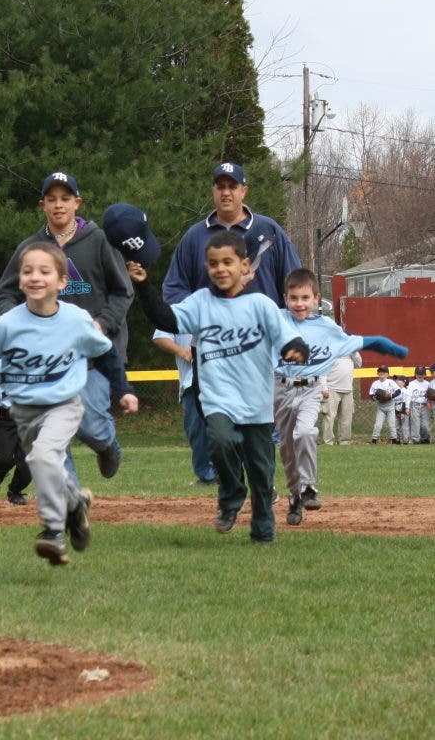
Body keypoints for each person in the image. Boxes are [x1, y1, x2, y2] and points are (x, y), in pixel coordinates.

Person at [0, 242, 138, 566]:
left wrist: (123, 389)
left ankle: (54, 532)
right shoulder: (7, 324)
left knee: (43, 457)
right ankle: (75, 503)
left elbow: (106, 354)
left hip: (64, 405)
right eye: (28, 271)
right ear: (19, 280)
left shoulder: (76, 320)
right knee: (48, 464)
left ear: (62, 281)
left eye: (45, 271)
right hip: (24, 412)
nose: (35, 277)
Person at [129, 232, 310, 545]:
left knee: (261, 471)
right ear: (207, 267)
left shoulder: (260, 305)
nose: (221, 269)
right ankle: (231, 495)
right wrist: (144, 286)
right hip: (218, 398)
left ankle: (263, 529)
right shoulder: (200, 303)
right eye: (213, 264)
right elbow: (165, 318)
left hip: (256, 402)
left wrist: (296, 349)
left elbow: (287, 338)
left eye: (228, 262)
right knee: (220, 441)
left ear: (244, 265)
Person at [0, 172, 134, 480]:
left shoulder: (99, 241)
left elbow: (123, 291)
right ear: (42, 204)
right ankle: (68, 500)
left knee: (90, 425)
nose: (58, 205)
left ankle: (106, 444)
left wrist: (102, 323)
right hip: (47, 358)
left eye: (65, 199)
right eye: (52, 199)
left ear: (77, 203)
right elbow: (3, 294)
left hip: (94, 354)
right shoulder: (31, 248)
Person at [272, 269, 408, 526]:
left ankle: (308, 487)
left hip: (310, 389)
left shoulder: (326, 327)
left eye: (305, 297)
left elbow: (353, 342)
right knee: (288, 449)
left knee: (305, 433)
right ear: (285, 298)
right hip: (280, 389)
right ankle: (295, 496)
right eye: (294, 298)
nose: (299, 303)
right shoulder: (277, 319)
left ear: (316, 299)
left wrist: (382, 343)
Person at [162, 162, 302, 307]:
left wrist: (281, 318)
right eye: (221, 187)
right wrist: (199, 315)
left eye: (232, 187)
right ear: (213, 191)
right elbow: (174, 289)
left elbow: (297, 284)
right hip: (211, 321)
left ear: (244, 191)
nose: (226, 193)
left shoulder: (269, 231)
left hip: (263, 321)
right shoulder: (194, 236)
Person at [151, 330, 216, 487]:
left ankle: (227, 473)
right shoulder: (178, 314)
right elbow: (160, 337)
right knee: (197, 430)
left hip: (222, 381)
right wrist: (181, 351)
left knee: (225, 429)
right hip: (191, 383)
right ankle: (207, 475)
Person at [0, 366, 32, 505]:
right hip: (6, 416)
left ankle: (15, 491)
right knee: (4, 456)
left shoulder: (34, 363)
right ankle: (1, 467)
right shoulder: (0, 365)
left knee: (28, 464)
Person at [322, 352, 362, 445]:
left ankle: (344, 442)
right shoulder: (329, 350)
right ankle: (328, 442)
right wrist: (324, 387)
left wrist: (354, 351)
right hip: (331, 389)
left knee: (346, 418)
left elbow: (359, 364)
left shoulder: (352, 352)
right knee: (329, 417)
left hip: (348, 390)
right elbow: (322, 371)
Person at [369, 367, 401, 444]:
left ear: (387, 374)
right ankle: (374, 440)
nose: (381, 374)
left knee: (392, 424)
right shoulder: (375, 383)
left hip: (390, 406)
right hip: (381, 406)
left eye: (383, 372)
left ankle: (394, 440)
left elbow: (398, 391)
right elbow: (371, 394)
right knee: (378, 425)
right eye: (379, 372)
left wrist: (391, 396)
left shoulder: (390, 382)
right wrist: (375, 397)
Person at [406, 366, 432, 444]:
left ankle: (425, 438)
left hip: (425, 406)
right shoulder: (412, 384)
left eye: (422, 374)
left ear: (425, 375)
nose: (420, 375)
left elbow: (431, 396)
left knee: (425, 424)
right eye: (418, 374)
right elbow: (408, 396)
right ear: (415, 374)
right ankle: (416, 439)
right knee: (415, 423)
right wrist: (407, 407)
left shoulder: (428, 384)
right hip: (415, 405)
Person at [393, 375, 410, 444]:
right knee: (395, 426)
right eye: (396, 380)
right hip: (395, 410)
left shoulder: (405, 391)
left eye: (398, 380)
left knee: (405, 427)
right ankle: (397, 439)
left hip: (404, 411)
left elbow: (405, 402)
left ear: (404, 382)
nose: (396, 381)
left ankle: (405, 440)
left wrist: (403, 412)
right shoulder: (395, 390)